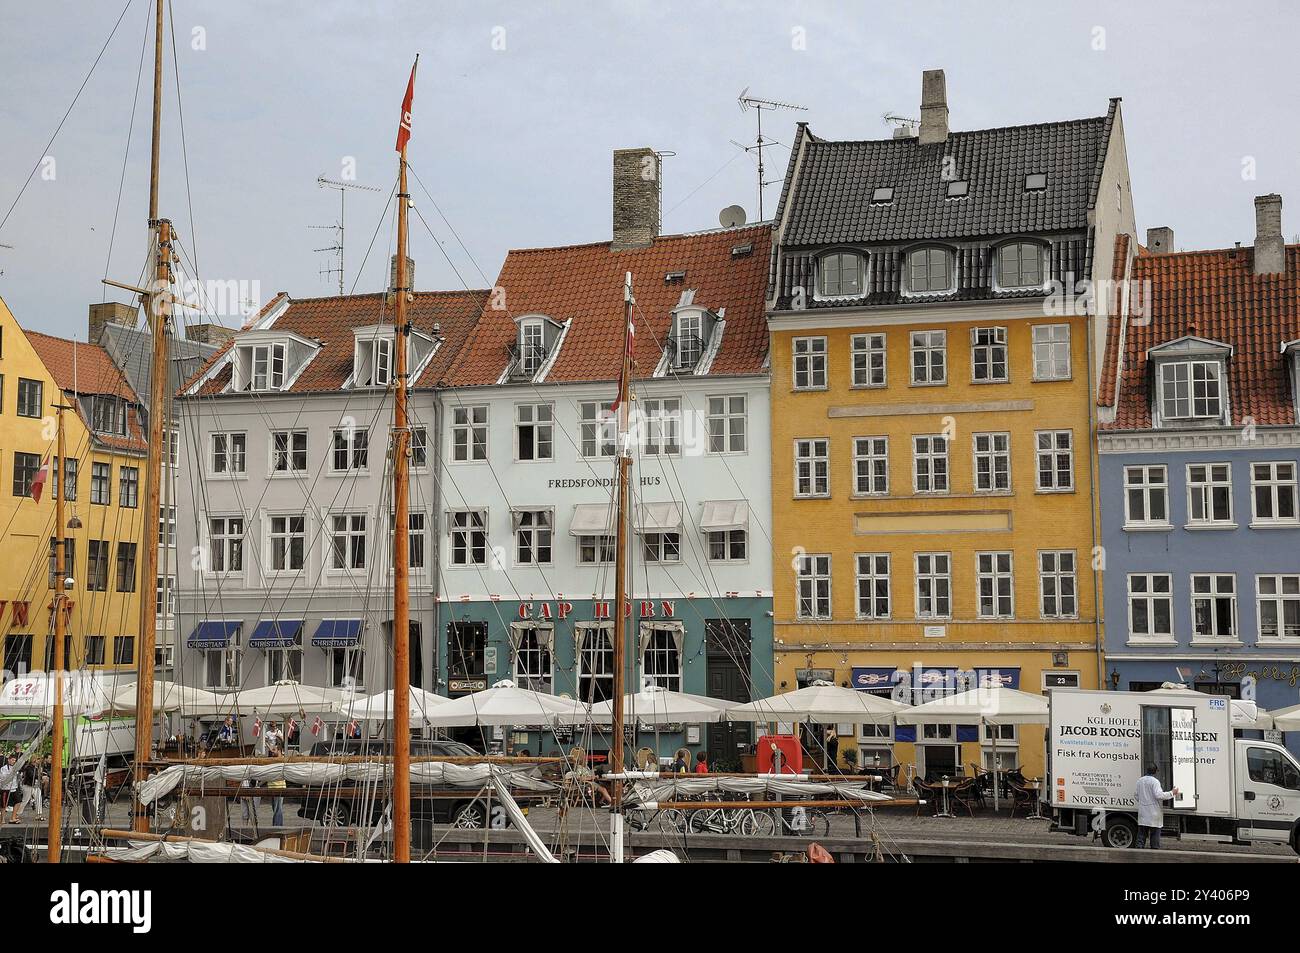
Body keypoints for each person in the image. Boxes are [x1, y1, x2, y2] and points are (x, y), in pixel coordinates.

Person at [1135, 764, 1178, 849]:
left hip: (1143, 813)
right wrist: (1172, 793)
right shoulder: (1155, 782)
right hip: (1154, 814)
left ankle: (1138, 855)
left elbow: (1136, 795)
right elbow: (1159, 795)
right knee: (1154, 838)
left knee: (1141, 836)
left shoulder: (1139, 781)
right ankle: (1154, 855)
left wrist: (1143, 802)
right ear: (1155, 772)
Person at [13, 757, 43, 822]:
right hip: (28, 786)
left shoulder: (36, 767)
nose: (39, 761)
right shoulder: (29, 767)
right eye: (38, 760)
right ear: (34, 760)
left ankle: (39, 814)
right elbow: (32, 775)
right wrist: (40, 775)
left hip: (35, 786)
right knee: (25, 800)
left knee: (38, 799)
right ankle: (17, 814)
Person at [267, 744, 287, 827]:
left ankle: (277, 826)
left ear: (279, 750)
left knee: (277, 809)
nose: (272, 752)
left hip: (279, 787)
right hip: (272, 786)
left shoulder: (281, 759)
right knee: (275, 808)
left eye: (274, 750)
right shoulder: (273, 759)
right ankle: (278, 825)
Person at [0, 755, 18, 822]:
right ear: (8, 760)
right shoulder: (3, 768)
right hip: (5, 789)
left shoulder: (15, 768)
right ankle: (2, 819)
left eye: (15, 760)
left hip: (14, 788)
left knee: (18, 801)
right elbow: (3, 778)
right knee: (4, 805)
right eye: (13, 760)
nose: (14, 761)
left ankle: (13, 817)